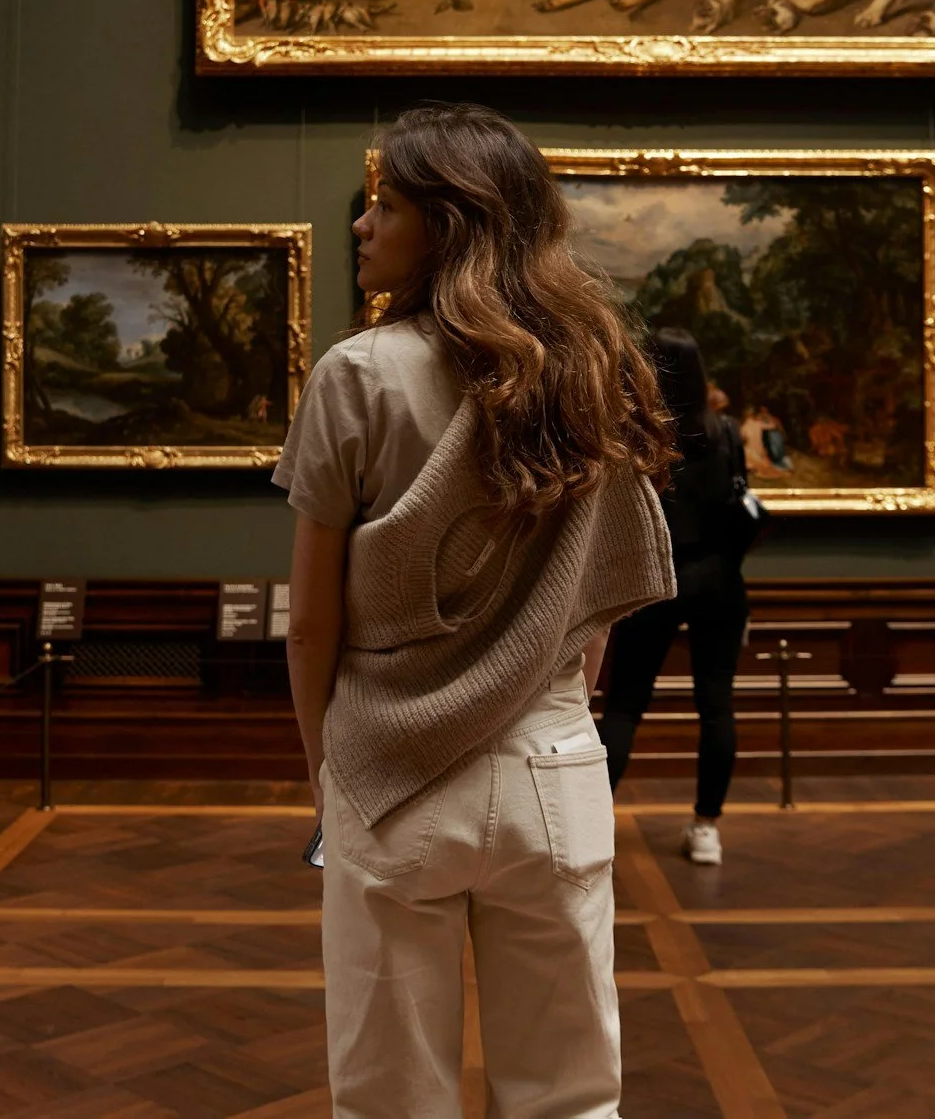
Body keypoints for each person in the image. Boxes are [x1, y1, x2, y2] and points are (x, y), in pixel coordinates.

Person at [275, 102, 677, 1119]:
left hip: (391, 769)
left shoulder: (354, 374)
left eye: (387, 203)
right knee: (571, 1093)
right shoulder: (592, 368)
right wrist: (548, 703)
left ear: (451, 224)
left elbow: (312, 621)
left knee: (389, 1099)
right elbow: (596, 605)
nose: (363, 224)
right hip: (551, 764)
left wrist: (327, 775)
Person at [597, 329, 756, 866]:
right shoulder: (727, 432)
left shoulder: (636, 435)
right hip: (717, 579)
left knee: (623, 708)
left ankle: (592, 826)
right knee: (717, 707)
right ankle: (705, 827)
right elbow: (740, 504)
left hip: (653, 581)